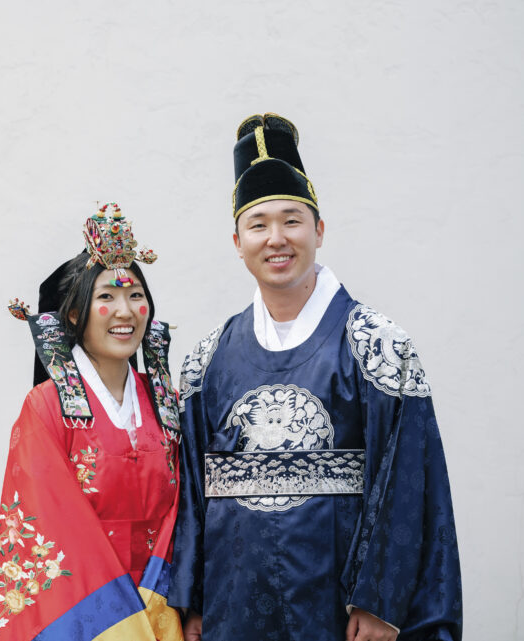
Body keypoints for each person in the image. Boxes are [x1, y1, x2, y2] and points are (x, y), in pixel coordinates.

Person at [167, 114, 462, 641]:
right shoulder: (206, 360)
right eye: (258, 225)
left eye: (292, 221)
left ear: (319, 230)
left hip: (343, 608)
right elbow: (190, 493)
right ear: (237, 241)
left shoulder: (377, 345)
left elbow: (411, 485)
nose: (276, 239)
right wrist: (190, 600)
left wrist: (382, 602)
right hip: (233, 603)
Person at [0, 203, 185, 640]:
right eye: (106, 296)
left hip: (163, 604)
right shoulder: (46, 407)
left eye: (136, 296)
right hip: (81, 614)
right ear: (74, 314)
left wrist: (160, 599)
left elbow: (185, 511)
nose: (125, 311)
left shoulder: (167, 402)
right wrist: (121, 618)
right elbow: (46, 521)